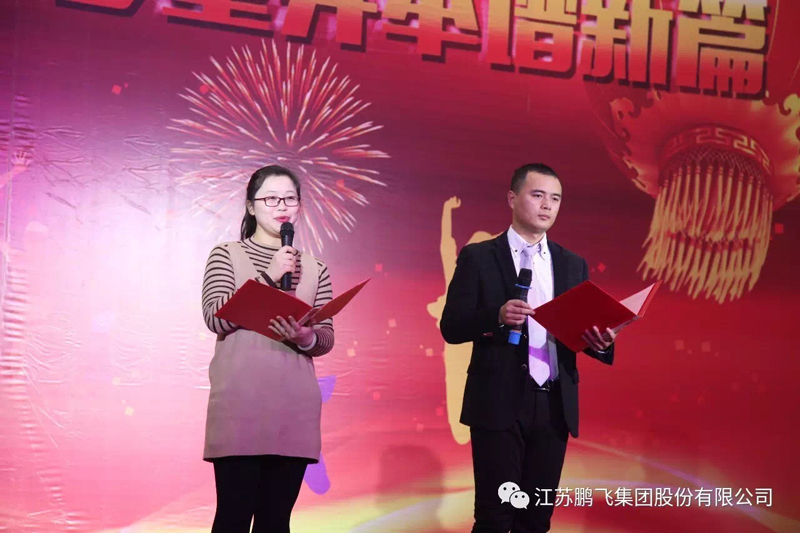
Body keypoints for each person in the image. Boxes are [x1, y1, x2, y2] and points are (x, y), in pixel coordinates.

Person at [441, 163, 622, 532]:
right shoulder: (479, 256)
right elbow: (452, 326)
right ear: (512, 198)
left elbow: (577, 330)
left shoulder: (572, 264)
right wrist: (496, 315)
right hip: (498, 401)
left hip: (553, 404)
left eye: (555, 198)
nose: (547, 205)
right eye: (537, 195)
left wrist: (601, 343)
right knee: (495, 516)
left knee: (536, 519)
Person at [201, 164, 335, 532]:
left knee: (275, 522)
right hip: (240, 404)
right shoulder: (226, 255)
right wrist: (268, 276)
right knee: (233, 518)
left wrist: (305, 338)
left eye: (290, 199)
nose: (282, 206)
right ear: (251, 206)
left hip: (294, 407)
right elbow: (216, 318)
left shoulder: (315, 267)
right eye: (271, 199)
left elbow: (325, 336)